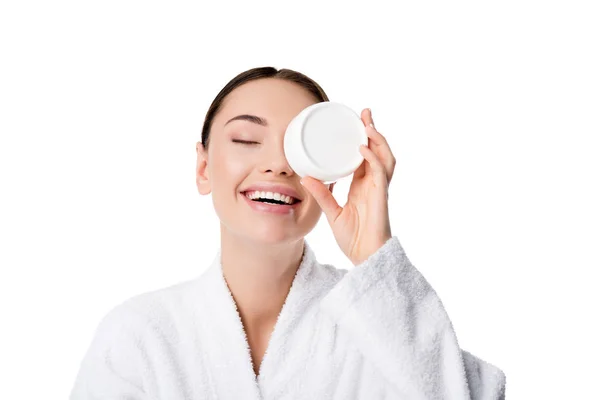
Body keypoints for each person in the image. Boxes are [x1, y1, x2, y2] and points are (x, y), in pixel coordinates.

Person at [69, 66, 506, 399]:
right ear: (203, 168)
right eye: (245, 140)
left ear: (330, 176)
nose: (277, 165)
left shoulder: (379, 324)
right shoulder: (139, 336)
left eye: (300, 147)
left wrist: (375, 258)